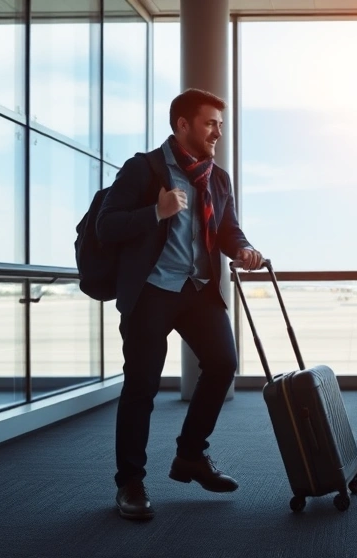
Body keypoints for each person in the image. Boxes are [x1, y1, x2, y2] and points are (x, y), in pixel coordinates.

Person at [96, 88, 263, 521]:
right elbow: (106, 226)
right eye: (210, 124)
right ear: (182, 124)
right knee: (142, 387)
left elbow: (229, 231)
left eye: (220, 125)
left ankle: (190, 455)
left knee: (224, 364)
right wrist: (156, 210)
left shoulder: (217, 177)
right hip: (152, 290)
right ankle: (129, 482)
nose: (217, 133)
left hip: (198, 290)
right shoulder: (144, 169)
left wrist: (244, 250)